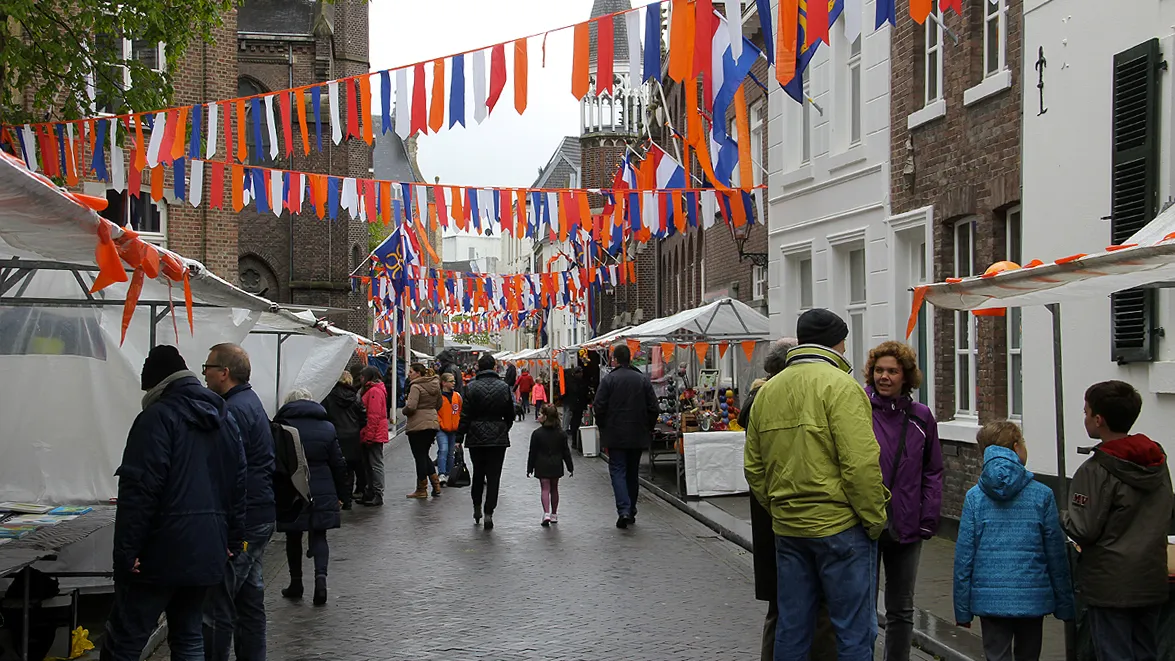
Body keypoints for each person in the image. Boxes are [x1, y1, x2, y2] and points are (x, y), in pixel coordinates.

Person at [744, 308, 889, 661]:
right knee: (853, 632)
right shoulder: (842, 387)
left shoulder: (768, 391)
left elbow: (754, 466)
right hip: (840, 526)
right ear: (837, 342)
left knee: (792, 627)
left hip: (789, 528)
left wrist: (778, 506)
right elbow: (860, 464)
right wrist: (874, 519)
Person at [101, 346, 246, 661]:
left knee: (127, 639)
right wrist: (230, 540)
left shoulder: (155, 418)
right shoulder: (224, 417)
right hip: (206, 548)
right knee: (188, 635)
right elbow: (237, 483)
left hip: (159, 553)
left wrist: (126, 554)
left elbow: (139, 492)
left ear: (157, 384)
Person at [739, 337, 838, 661]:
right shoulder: (774, 400)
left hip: (774, 512)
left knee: (782, 604)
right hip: (788, 517)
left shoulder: (760, 398)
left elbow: (753, 467)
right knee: (799, 603)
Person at [1063, 380, 1173, 661]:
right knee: (1147, 650)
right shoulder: (1157, 462)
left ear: (1098, 420)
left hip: (1110, 583)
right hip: (1150, 577)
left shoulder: (1095, 469)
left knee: (1114, 652)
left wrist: (1061, 517)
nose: (1084, 417)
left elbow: (1084, 529)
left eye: (1086, 411)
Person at [953, 422, 1075, 661]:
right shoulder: (1042, 495)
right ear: (1017, 447)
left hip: (990, 601)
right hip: (1033, 598)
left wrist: (962, 610)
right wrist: (1064, 603)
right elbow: (1056, 555)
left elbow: (964, 558)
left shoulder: (974, 498)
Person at [865, 341, 943, 661]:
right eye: (879, 370)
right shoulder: (859, 410)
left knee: (901, 608)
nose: (885, 377)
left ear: (906, 377)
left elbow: (933, 470)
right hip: (865, 523)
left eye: (892, 371)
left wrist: (928, 516)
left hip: (907, 524)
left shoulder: (921, 418)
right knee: (863, 604)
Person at [201, 343, 274, 661]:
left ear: (223, 373)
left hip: (245, 519)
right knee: (249, 600)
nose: (204, 374)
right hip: (259, 513)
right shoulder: (250, 402)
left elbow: (229, 469)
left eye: (207, 367)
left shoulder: (231, 411)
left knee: (218, 604)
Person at [274, 389, 348, 606]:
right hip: (322, 486)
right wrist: (343, 494)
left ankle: (296, 583)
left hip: (293, 488)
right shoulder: (327, 427)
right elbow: (338, 463)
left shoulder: (282, 427)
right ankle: (321, 580)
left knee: (293, 536)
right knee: (319, 535)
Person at [593, 343, 659, 529]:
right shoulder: (642, 380)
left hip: (615, 435)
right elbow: (654, 407)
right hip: (637, 434)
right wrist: (648, 427)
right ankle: (631, 508)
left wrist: (603, 426)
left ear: (614, 359)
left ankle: (624, 509)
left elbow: (599, 406)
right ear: (629, 358)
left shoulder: (609, 380)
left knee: (618, 471)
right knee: (632, 472)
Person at [457, 353, 514, 530]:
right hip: (498, 436)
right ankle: (489, 511)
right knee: (494, 476)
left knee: (478, 473)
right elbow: (510, 413)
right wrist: (503, 427)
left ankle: (476, 506)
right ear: (495, 367)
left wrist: (459, 437)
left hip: (476, 436)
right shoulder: (503, 387)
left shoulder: (471, 387)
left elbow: (465, 415)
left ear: (479, 368)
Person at [321, 371, 367, 508]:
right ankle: (347, 501)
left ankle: (338, 498)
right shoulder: (355, 397)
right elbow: (363, 416)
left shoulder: (329, 397)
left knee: (336, 468)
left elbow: (324, 415)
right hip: (353, 436)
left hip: (335, 435)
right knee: (351, 469)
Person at [527, 404, 575, 526]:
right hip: (556, 464)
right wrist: (570, 467)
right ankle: (554, 514)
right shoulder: (561, 434)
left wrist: (530, 467)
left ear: (546, 416)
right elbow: (566, 452)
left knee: (545, 488)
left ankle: (546, 513)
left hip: (542, 464)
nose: (538, 416)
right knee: (554, 489)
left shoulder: (537, 434)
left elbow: (532, 452)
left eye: (540, 414)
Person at [403, 362, 443, 499]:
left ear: (418, 373)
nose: (409, 374)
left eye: (411, 371)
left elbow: (412, 406)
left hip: (417, 424)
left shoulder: (415, 386)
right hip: (432, 422)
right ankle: (435, 484)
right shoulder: (435, 384)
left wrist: (405, 410)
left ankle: (422, 488)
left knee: (419, 456)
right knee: (424, 455)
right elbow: (439, 404)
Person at [357, 366, 388, 506]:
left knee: (375, 464)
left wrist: (369, 435)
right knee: (369, 464)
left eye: (362, 376)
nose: (360, 379)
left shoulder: (374, 391)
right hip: (371, 432)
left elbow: (373, 416)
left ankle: (377, 493)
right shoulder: (373, 390)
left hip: (374, 434)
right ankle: (370, 491)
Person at [437, 373, 463, 485]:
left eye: (454, 381)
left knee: (450, 453)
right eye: (451, 381)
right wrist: (440, 423)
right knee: (443, 450)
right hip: (442, 428)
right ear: (444, 383)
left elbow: (460, 411)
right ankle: (441, 473)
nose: (454, 383)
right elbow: (435, 412)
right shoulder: (438, 397)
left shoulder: (457, 396)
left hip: (454, 429)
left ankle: (449, 473)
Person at [562, 367, 587, 443]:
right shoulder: (576, 383)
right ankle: (574, 438)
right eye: (580, 373)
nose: (581, 374)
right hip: (575, 404)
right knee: (573, 420)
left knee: (570, 417)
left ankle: (573, 436)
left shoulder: (569, 381)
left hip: (572, 403)